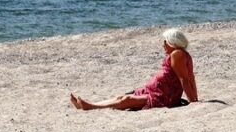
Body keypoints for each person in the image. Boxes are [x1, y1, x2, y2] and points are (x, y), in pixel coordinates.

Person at [70, 28, 198, 111]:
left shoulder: (178, 54)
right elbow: (190, 77)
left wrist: (193, 101)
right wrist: (195, 99)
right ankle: (89, 104)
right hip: (156, 91)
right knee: (122, 96)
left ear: (172, 42)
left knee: (126, 100)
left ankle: (90, 106)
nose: (163, 45)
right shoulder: (180, 54)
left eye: (165, 42)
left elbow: (185, 79)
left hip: (163, 97)